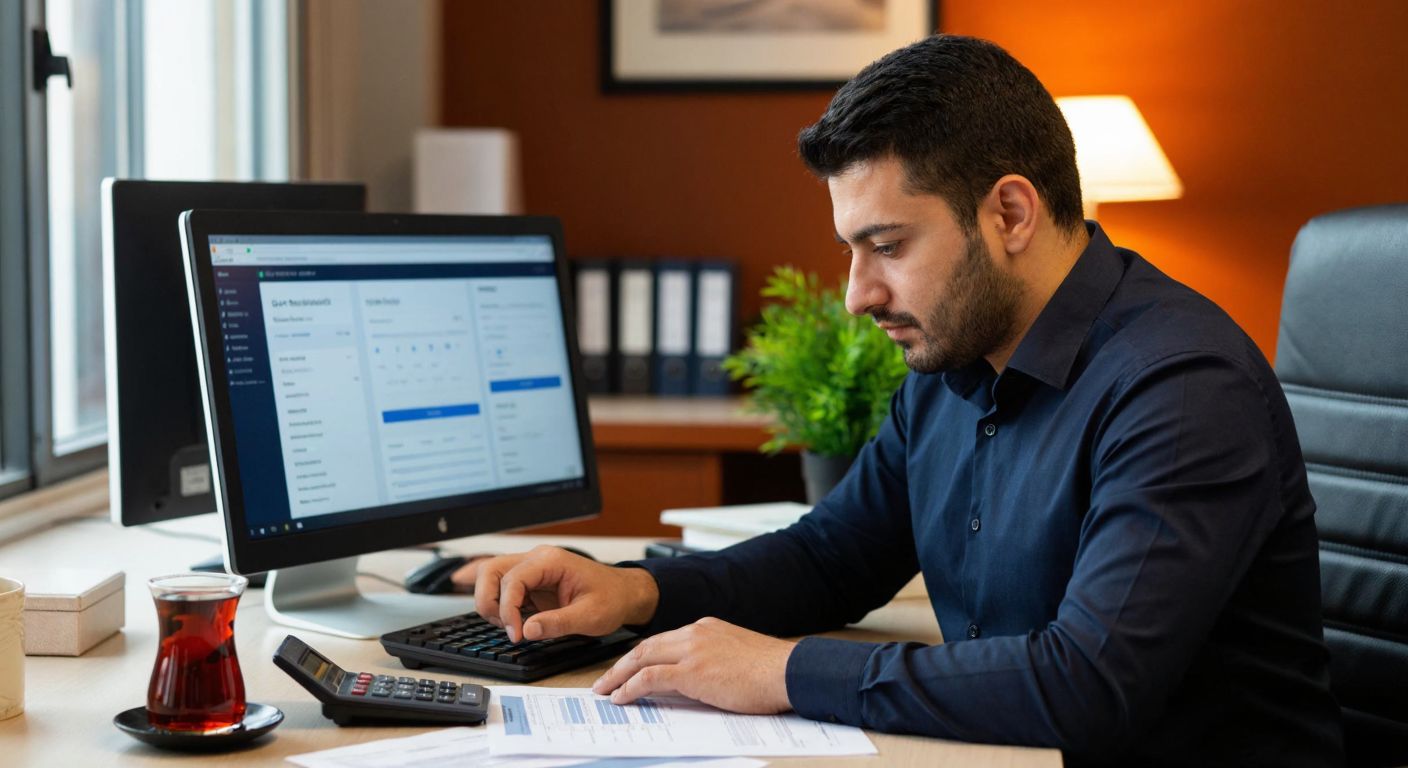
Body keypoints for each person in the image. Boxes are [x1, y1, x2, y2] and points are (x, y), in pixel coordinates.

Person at [453, 34, 1344, 766]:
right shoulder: (959, 361)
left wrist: (785, 672)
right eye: (851, 248)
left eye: (887, 245)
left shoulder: (1179, 388)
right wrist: (637, 590)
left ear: (1011, 214)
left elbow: (1086, 687)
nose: (858, 294)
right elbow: (833, 558)